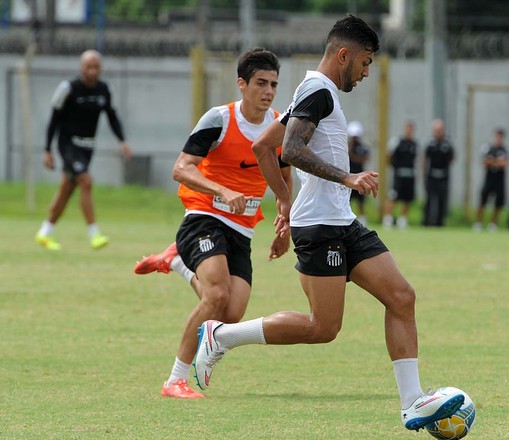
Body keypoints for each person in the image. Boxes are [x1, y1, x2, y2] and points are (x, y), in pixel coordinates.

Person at [192, 15, 466, 432]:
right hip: (320, 227)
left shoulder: (316, 93)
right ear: (344, 55)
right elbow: (291, 148)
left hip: (340, 220)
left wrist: (285, 202)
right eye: (365, 62)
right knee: (323, 327)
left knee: (402, 296)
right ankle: (220, 336)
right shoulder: (317, 90)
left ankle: (412, 403)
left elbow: (264, 146)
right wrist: (347, 177)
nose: (366, 71)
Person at [135, 48, 291, 399]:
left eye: (274, 85)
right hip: (204, 217)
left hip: (243, 228)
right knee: (216, 295)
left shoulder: (278, 126)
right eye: (261, 83)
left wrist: (286, 222)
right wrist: (222, 189)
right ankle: (174, 380)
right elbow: (181, 168)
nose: (268, 91)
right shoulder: (219, 119)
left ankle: (176, 261)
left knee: (229, 316)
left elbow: (284, 177)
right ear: (241, 84)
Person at [35, 50, 132, 250]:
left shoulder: (104, 90)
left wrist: (122, 140)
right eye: (89, 66)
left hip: (88, 146)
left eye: (96, 66)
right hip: (68, 144)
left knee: (67, 188)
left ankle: (45, 232)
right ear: (82, 67)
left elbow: (112, 117)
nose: (93, 70)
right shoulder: (68, 89)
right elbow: (53, 120)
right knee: (86, 181)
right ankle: (94, 234)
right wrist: (47, 150)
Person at [383, 121, 418, 229]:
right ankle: (388, 219)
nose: (409, 131)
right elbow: (389, 157)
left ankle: (402, 220)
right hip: (399, 174)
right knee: (393, 196)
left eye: (411, 129)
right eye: (407, 129)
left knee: (407, 198)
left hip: (410, 174)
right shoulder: (397, 142)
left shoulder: (414, 144)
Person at [473, 128, 508, 232]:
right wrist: (496, 162)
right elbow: (484, 162)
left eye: (500, 137)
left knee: (498, 203)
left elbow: (504, 163)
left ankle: (493, 224)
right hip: (489, 178)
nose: (498, 139)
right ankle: (478, 223)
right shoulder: (487, 148)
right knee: (483, 201)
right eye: (497, 136)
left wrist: (492, 161)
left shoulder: (504, 150)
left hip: (500, 179)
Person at [423, 119, 454, 227]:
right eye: (436, 130)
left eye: (440, 130)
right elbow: (425, 159)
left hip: (443, 175)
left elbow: (451, 158)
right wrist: (424, 175)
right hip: (432, 175)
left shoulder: (447, 144)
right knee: (429, 199)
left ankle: (440, 223)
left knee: (442, 200)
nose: (438, 132)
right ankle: (426, 222)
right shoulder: (430, 144)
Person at [347, 120, 370, 225]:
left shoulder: (363, 147)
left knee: (361, 200)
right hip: (348, 177)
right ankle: (347, 217)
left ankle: (362, 218)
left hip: (359, 176)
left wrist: (353, 156)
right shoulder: (346, 146)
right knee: (347, 200)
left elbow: (364, 158)